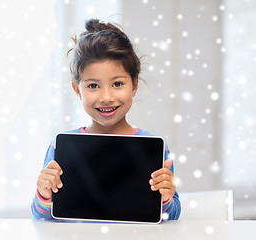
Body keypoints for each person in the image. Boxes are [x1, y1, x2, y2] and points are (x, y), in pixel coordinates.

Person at [31, 19, 181, 221]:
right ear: (78, 90)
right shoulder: (60, 146)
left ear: (134, 85)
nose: (106, 97)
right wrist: (44, 194)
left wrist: (165, 198)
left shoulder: (155, 149)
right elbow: (41, 217)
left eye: (117, 83)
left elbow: (172, 216)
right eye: (93, 86)